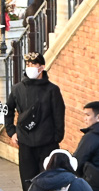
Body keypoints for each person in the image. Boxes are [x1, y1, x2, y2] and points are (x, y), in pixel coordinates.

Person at [6, 50, 64, 180]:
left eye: (33, 64)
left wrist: (56, 138)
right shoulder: (17, 89)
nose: (30, 68)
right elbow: (8, 110)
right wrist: (11, 131)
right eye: (28, 64)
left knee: (48, 178)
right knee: (27, 179)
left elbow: (59, 115)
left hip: (47, 142)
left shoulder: (52, 90)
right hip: (25, 142)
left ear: (42, 67)